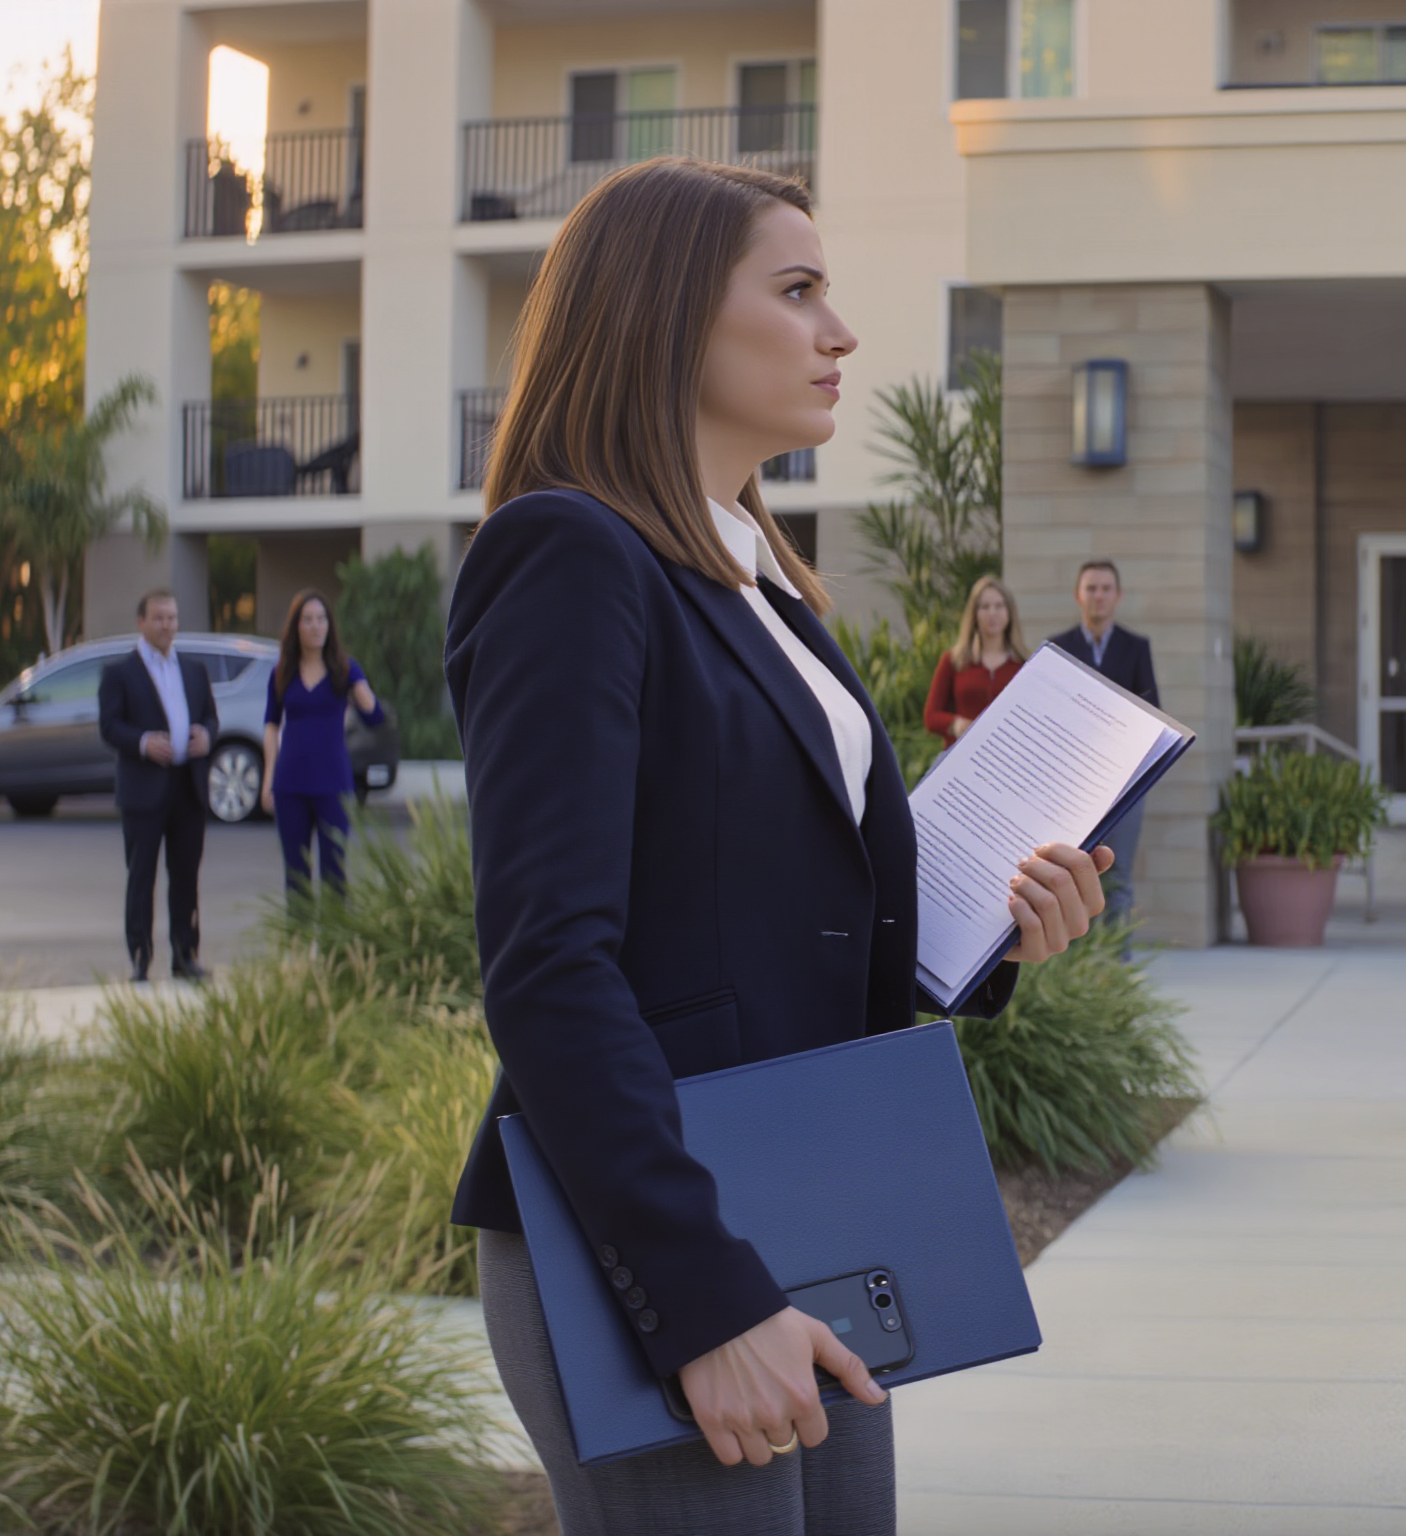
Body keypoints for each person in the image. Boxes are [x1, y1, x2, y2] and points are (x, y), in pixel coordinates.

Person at [445, 156, 1112, 1534]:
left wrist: (993, 923)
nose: (841, 333)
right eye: (797, 291)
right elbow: (550, 965)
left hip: (807, 1200)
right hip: (655, 1239)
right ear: (667, 315)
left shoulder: (761, 582)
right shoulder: (568, 555)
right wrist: (702, 1298)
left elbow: (800, 915)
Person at [96, 589, 217, 983]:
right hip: (144, 790)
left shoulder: (193, 670)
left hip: (188, 787)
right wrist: (145, 743)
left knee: (186, 876)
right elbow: (110, 726)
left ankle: (185, 956)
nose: (167, 625)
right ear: (141, 623)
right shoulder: (119, 673)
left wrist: (206, 736)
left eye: (172, 618)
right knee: (141, 876)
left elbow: (211, 718)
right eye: (160, 618)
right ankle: (139, 957)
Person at [1048, 559, 1160, 916]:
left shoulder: (1136, 647)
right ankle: (1079, 969)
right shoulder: (1059, 647)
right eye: (1091, 588)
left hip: (1124, 783)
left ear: (1118, 595)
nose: (1099, 596)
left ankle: (1117, 968)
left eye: (1105, 589)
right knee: (1069, 875)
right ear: (1078, 596)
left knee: (1119, 877)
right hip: (1071, 787)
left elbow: (1152, 713)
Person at [260, 588, 386, 894]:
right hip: (290, 783)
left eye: (321, 619)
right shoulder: (282, 672)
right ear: (296, 627)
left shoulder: (344, 668)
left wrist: (362, 692)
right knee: (296, 875)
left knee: (335, 876)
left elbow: (375, 717)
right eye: (308, 620)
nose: (316, 626)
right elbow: (271, 726)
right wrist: (268, 780)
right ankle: (298, 943)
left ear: (330, 626)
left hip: (332, 783)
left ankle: (335, 944)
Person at [921, 575, 1024, 745]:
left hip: (1007, 757)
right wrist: (956, 724)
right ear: (974, 614)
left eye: (999, 606)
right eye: (984, 607)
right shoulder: (954, 661)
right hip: (961, 756)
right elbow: (931, 717)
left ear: (1009, 612)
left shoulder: (1023, 665)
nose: (992, 613)